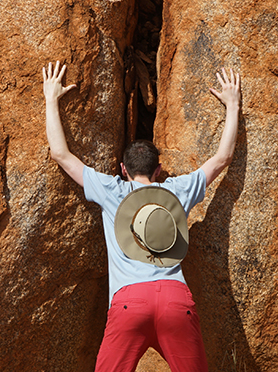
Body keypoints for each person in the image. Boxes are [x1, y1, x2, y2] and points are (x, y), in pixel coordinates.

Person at [42, 60, 241, 372]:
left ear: (123, 169)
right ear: (158, 171)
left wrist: (51, 98)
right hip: (176, 300)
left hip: (128, 303)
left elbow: (61, 155)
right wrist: (232, 103)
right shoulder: (177, 190)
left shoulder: (111, 190)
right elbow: (222, 158)